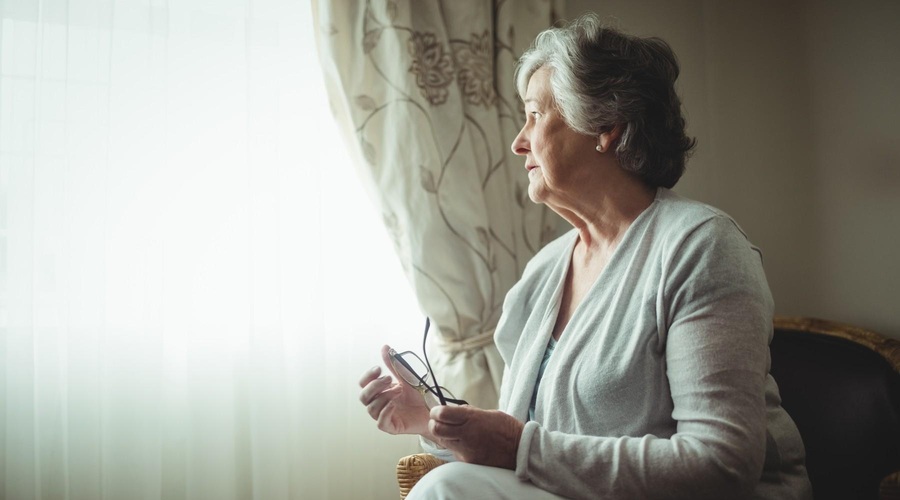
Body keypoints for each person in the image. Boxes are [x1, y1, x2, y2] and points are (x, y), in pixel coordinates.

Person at [358, 13, 812, 500]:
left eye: (535, 114)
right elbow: (526, 445)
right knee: (447, 483)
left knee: (446, 489)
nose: (518, 141)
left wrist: (518, 447)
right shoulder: (542, 273)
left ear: (605, 128)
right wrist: (429, 421)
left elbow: (721, 464)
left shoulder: (701, 248)